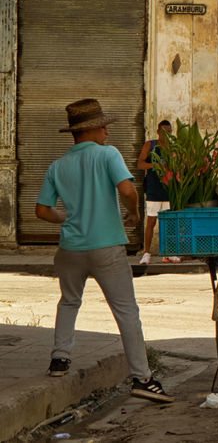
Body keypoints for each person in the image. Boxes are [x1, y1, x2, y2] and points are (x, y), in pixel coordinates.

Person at [35, 99, 173, 403]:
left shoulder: (57, 166)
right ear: (93, 129)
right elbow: (127, 189)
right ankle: (142, 378)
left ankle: (59, 359)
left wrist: (62, 217)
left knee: (69, 301)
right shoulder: (108, 155)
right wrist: (134, 214)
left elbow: (42, 210)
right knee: (126, 312)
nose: (107, 133)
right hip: (106, 247)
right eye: (104, 127)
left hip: (70, 249)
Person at [135, 120, 179, 266]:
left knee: (169, 223)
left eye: (169, 132)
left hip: (169, 190)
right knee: (151, 221)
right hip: (154, 189)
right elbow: (140, 164)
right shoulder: (150, 145)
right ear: (158, 131)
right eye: (164, 132)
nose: (166, 135)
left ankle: (169, 253)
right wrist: (155, 165)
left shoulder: (173, 148)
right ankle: (147, 254)